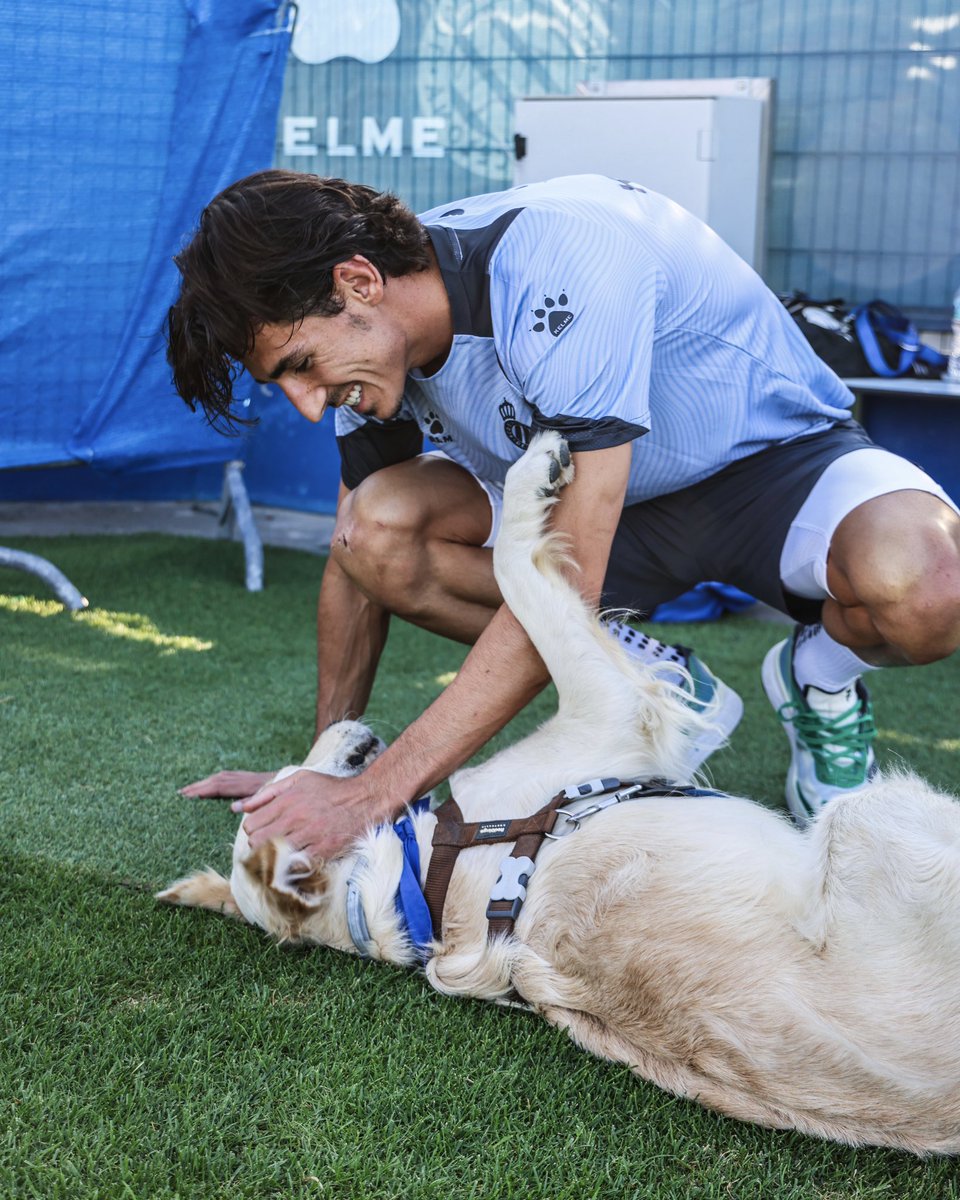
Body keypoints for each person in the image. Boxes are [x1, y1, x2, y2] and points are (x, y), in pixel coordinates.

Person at [167, 169, 960, 856]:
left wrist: (373, 797)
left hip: (771, 465)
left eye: (301, 365)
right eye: (285, 382)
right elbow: (353, 567)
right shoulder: (374, 356)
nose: (308, 405)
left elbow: (564, 584)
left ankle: (819, 676)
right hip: (601, 512)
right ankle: (647, 673)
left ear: (359, 283)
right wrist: (325, 767)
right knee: (373, 530)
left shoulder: (561, 256)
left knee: (932, 592)